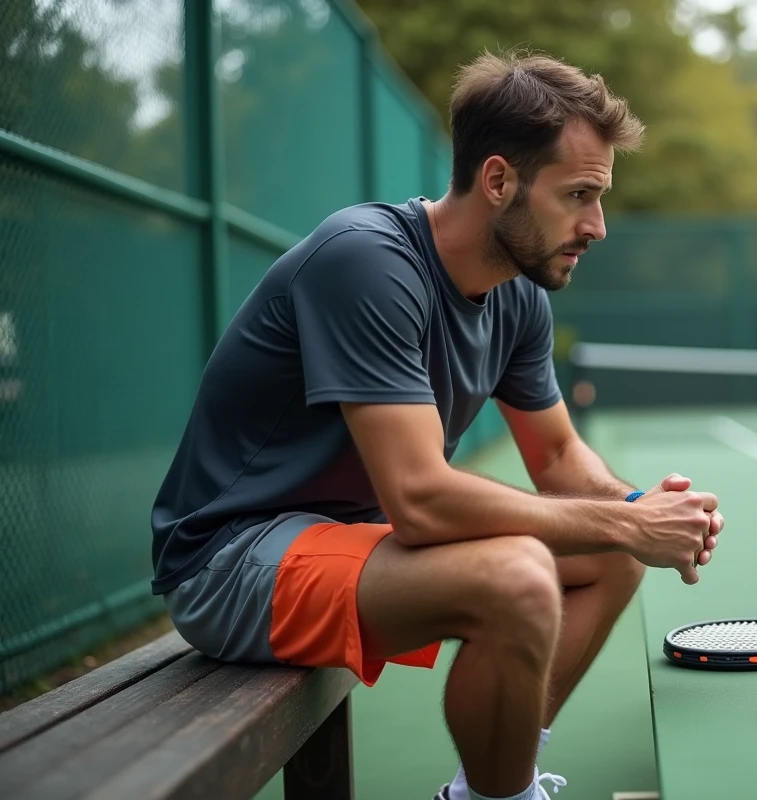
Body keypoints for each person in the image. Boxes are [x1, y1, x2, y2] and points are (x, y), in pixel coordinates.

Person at [149, 50, 724, 800]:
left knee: (608, 547)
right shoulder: (368, 261)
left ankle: (481, 788)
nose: (598, 226)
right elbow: (419, 501)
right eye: (579, 194)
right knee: (522, 576)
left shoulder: (517, 299)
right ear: (498, 180)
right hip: (228, 560)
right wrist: (625, 523)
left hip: (345, 543)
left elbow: (555, 456)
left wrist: (643, 511)